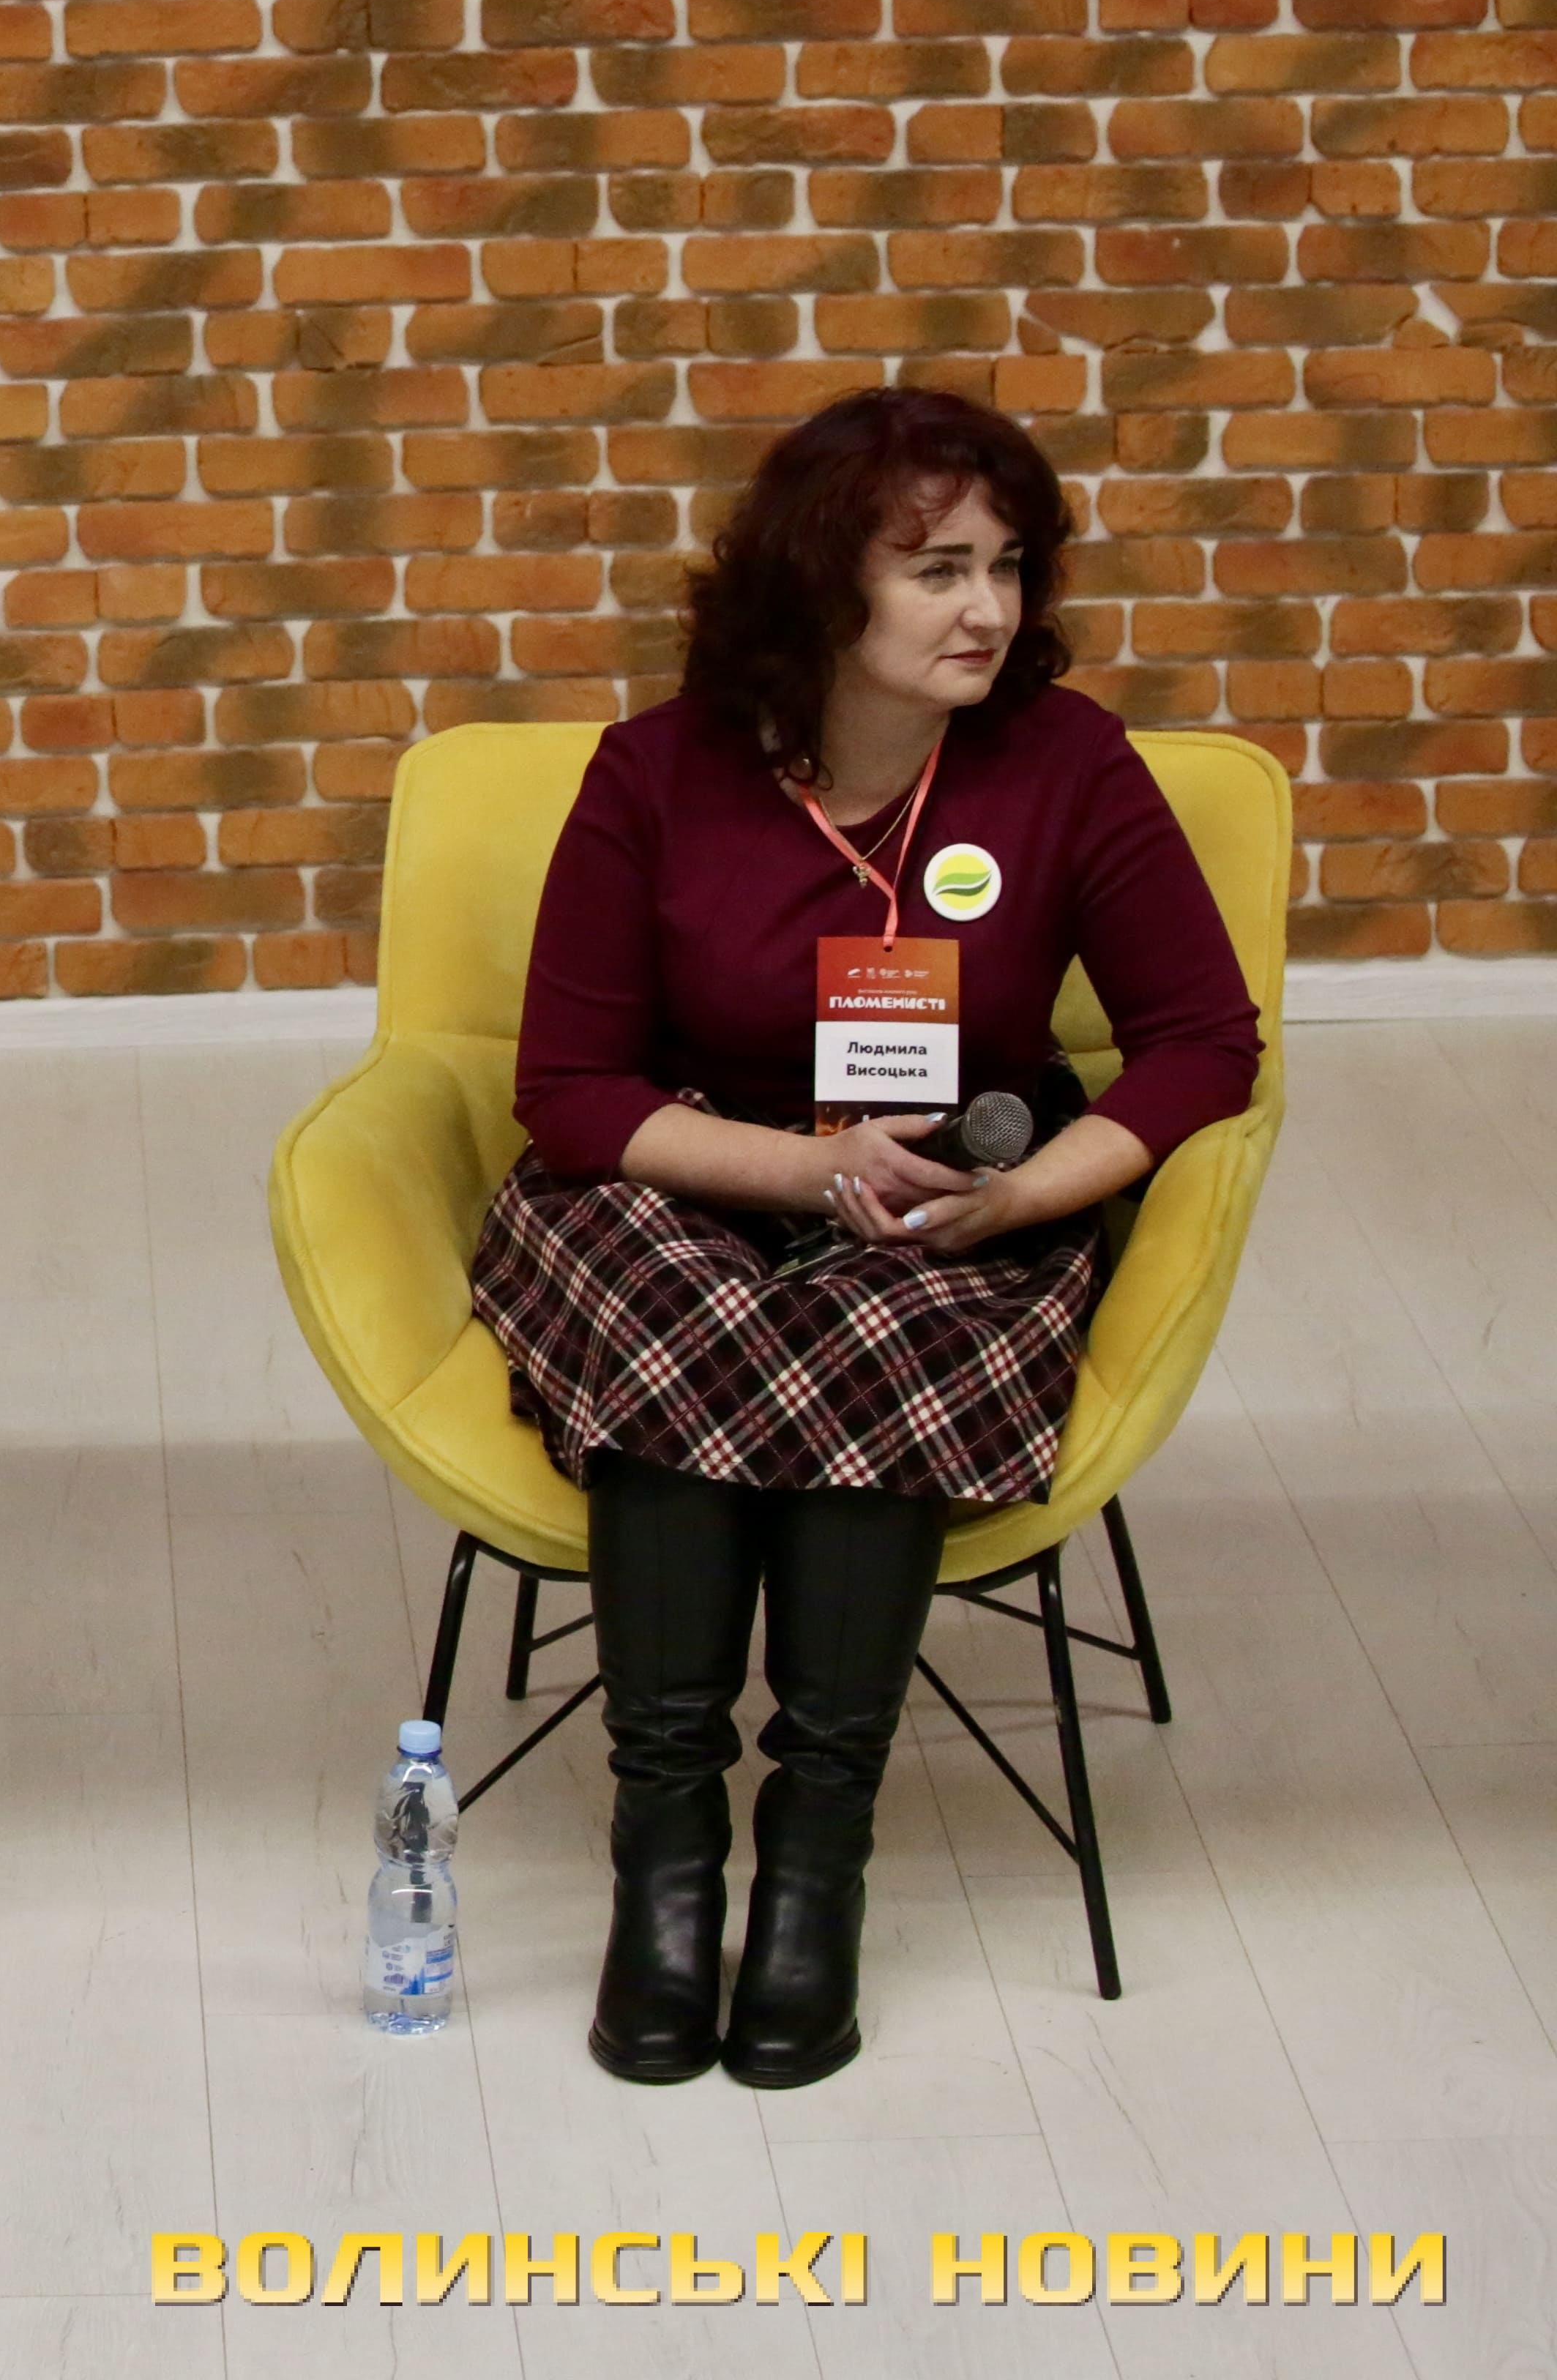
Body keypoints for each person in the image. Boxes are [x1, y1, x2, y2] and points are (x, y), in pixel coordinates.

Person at [471, 385, 1260, 2089]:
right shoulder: (659, 773)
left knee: (886, 1326)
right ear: (822, 586)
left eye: (1009, 566)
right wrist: (803, 1169)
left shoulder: (1068, 764)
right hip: (699, 1161)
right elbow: (573, 1091)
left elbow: (1205, 1042)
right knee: (687, 1316)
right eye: (937, 570)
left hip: (960, 1181)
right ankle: (666, 1856)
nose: (989, 610)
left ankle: (818, 1861)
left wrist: (1024, 1197)